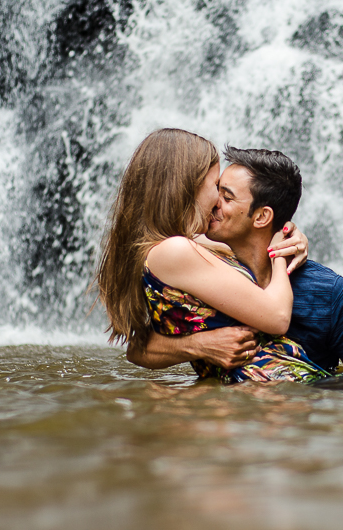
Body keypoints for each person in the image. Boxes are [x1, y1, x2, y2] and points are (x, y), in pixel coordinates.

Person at [124, 142, 343, 383]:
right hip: (234, 426)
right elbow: (139, 346)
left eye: (226, 195)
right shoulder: (195, 264)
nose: (213, 203)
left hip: (297, 414)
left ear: (262, 216)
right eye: (215, 190)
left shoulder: (329, 292)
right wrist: (200, 346)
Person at [95, 128, 330, 383]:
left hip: (259, 391)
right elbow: (277, 317)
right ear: (186, 187)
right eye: (215, 185)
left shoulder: (172, 247)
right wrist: (278, 254)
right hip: (267, 391)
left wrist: (290, 233)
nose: (219, 199)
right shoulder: (175, 250)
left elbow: (137, 347)